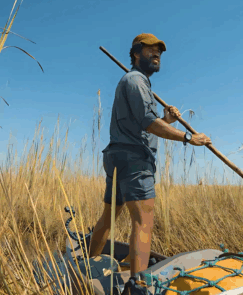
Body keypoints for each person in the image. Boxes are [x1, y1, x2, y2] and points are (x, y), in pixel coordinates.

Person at [87, 33, 211, 278]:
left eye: (160, 52)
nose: (157, 54)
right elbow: (148, 123)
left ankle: (88, 265)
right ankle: (137, 290)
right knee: (143, 222)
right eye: (150, 50)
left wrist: (166, 120)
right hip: (133, 160)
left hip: (118, 156)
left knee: (109, 216)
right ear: (135, 53)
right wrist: (188, 137)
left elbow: (143, 126)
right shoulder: (136, 81)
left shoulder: (136, 82)